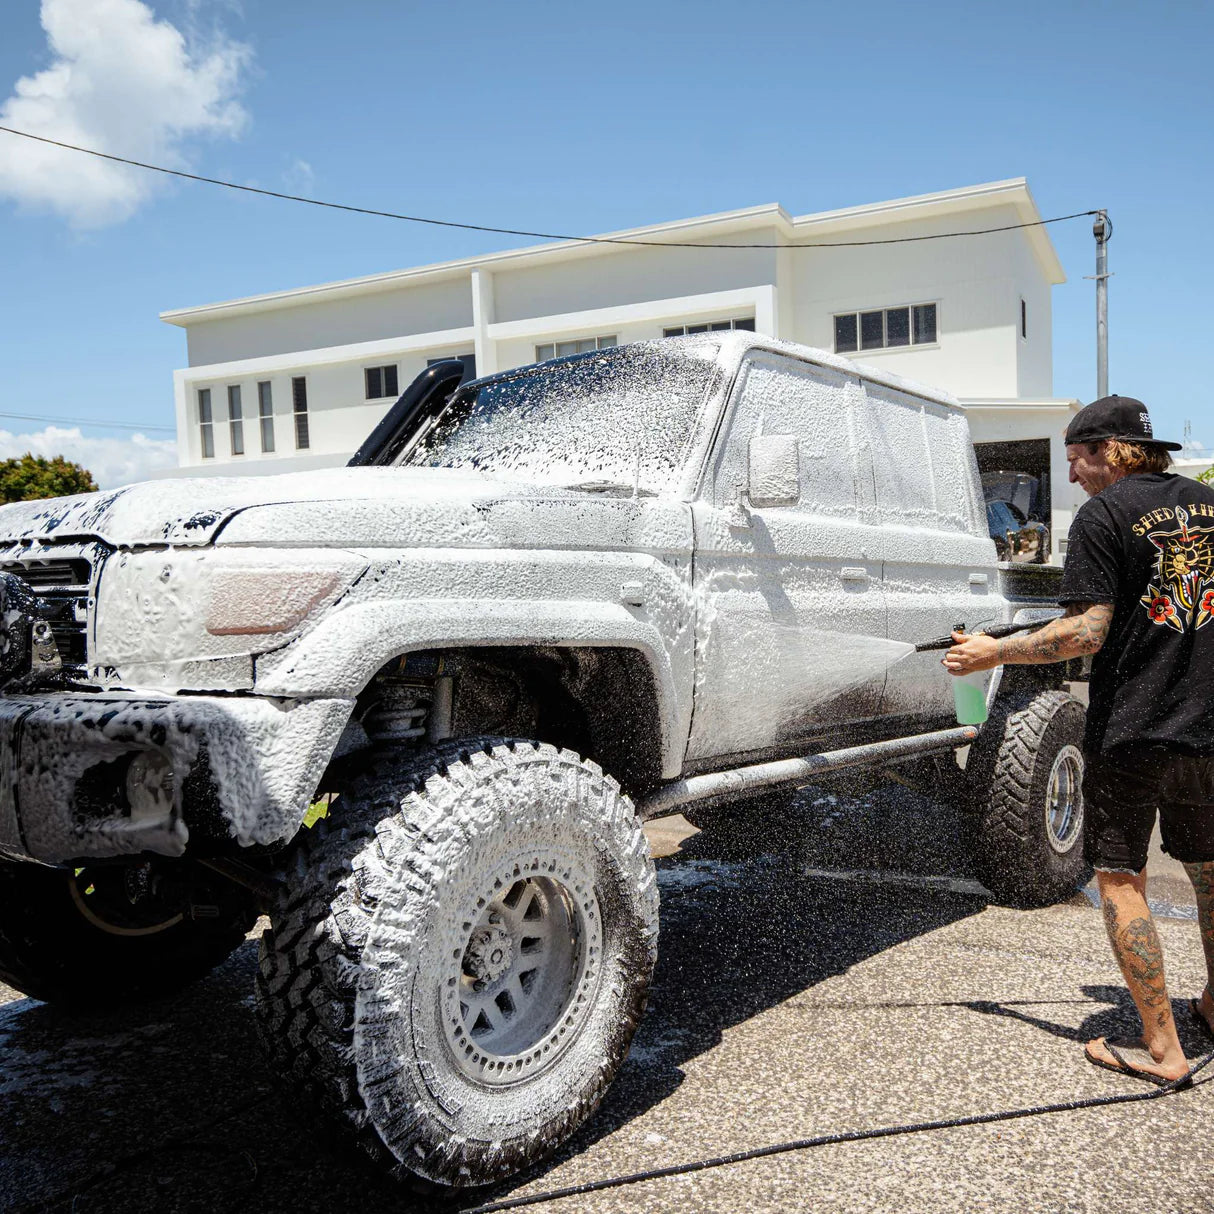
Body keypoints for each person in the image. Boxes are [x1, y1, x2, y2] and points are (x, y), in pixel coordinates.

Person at [945, 395, 1214, 1085]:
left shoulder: (1105, 515)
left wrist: (991, 654)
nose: (1072, 477)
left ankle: (1163, 1050)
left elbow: (1087, 633)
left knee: (1121, 881)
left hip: (1136, 729)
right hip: (1209, 727)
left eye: (1077, 460)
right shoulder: (1208, 505)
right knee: (1212, 874)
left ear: (1111, 450)